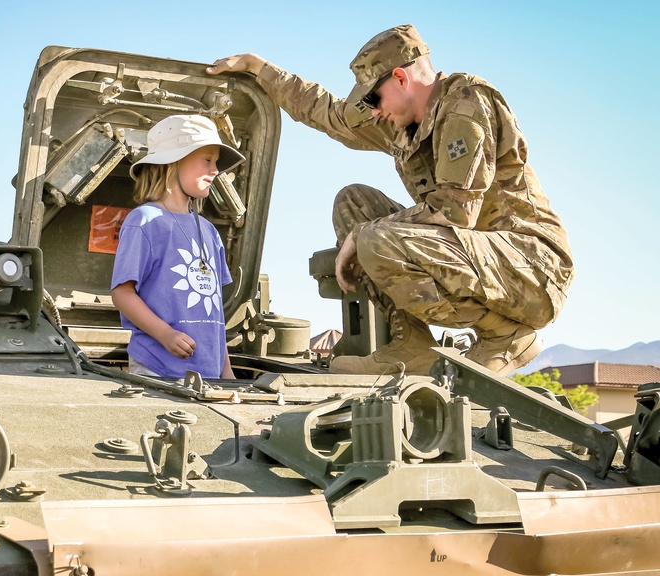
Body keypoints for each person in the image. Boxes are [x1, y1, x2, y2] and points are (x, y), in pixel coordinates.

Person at [207, 25, 573, 375]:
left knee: (372, 236)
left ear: (401, 78)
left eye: (373, 98)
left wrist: (364, 235)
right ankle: (412, 344)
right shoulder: (403, 122)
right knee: (353, 202)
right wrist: (260, 69)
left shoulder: (466, 103)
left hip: (530, 267)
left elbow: (455, 210)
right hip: (472, 258)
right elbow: (329, 113)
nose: (374, 110)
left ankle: (503, 336)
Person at [111, 114, 243, 379]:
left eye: (216, 162)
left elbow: (215, 309)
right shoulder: (144, 221)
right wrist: (165, 334)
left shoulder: (209, 231)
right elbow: (122, 293)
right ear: (173, 161)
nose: (216, 170)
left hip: (209, 374)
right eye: (207, 160)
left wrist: (226, 371)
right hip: (157, 369)